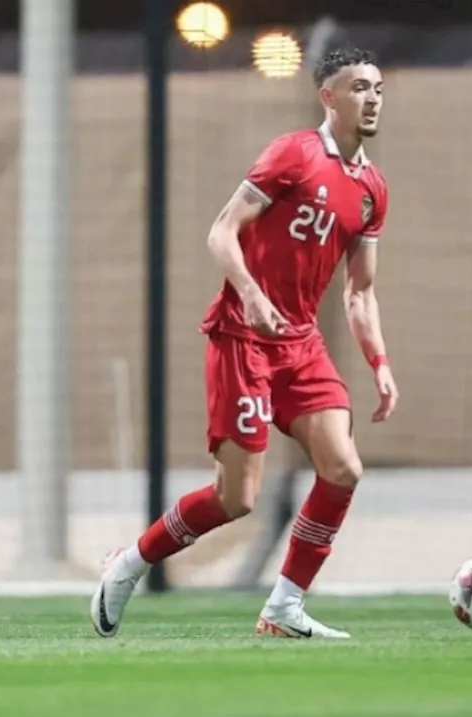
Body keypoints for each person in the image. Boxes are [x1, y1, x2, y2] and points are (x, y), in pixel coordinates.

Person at [91, 46, 397, 640]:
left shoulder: (372, 190)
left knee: (343, 468)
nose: (372, 98)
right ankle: (128, 564)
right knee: (238, 499)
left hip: (301, 346)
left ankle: (283, 608)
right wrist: (252, 295)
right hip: (243, 339)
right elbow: (221, 230)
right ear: (327, 96)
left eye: (378, 88)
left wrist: (379, 363)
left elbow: (360, 293)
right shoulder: (294, 153)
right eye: (358, 87)